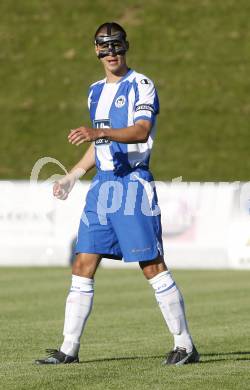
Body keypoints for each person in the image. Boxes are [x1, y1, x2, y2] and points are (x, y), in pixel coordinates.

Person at [35, 22, 199, 366]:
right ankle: (68, 350)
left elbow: (140, 131)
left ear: (127, 47)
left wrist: (98, 131)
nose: (112, 53)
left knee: (151, 265)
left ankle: (185, 345)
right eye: (104, 47)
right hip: (102, 188)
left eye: (117, 46)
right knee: (82, 264)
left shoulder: (141, 85)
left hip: (132, 186)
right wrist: (72, 176)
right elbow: (99, 146)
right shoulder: (95, 90)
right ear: (96, 50)